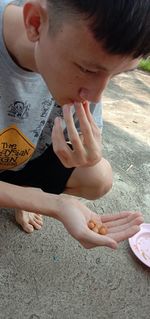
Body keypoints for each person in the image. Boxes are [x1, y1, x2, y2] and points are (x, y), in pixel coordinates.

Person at [0, 0, 149, 250]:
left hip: (21, 155)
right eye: (88, 69)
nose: (96, 96)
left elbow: (87, 152)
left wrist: (88, 156)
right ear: (35, 22)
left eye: (116, 75)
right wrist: (47, 202)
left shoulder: (82, 51)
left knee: (98, 175)